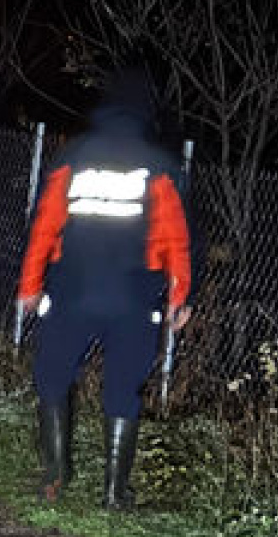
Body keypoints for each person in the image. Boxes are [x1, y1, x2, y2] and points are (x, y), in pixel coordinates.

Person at [15, 67, 191, 509]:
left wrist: (30, 286)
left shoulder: (73, 155)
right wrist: (178, 297)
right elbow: (177, 239)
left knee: (53, 376)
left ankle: (55, 474)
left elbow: (45, 227)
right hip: (134, 297)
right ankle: (114, 493)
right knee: (123, 388)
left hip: (72, 291)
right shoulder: (160, 164)